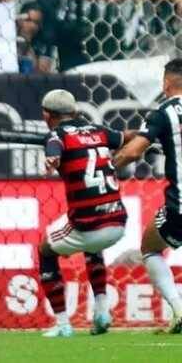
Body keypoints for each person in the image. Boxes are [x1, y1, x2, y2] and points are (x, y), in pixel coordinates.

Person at [39, 89, 135, 337]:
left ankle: (63, 325)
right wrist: (152, 137)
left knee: (45, 250)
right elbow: (126, 137)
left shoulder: (58, 134)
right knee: (93, 247)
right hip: (118, 222)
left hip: (88, 225)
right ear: (74, 111)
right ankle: (102, 312)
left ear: (47, 115)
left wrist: (52, 159)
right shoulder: (99, 131)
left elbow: (54, 145)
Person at [114, 58, 182, 334]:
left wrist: (109, 164)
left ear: (166, 83)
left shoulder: (164, 112)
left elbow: (132, 152)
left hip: (181, 204)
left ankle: (178, 311)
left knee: (150, 248)